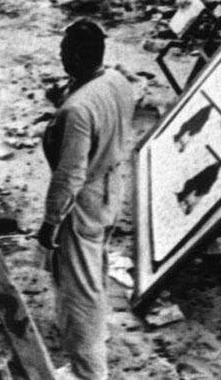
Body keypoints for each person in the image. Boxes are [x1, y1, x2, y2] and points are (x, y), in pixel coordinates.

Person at [38, 21, 136, 380]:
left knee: (79, 289)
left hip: (84, 203)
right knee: (94, 269)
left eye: (65, 53)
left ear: (78, 56)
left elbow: (70, 174)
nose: (61, 59)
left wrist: (50, 221)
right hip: (112, 187)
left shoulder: (78, 110)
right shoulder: (118, 81)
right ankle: (96, 335)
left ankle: (88, 371)